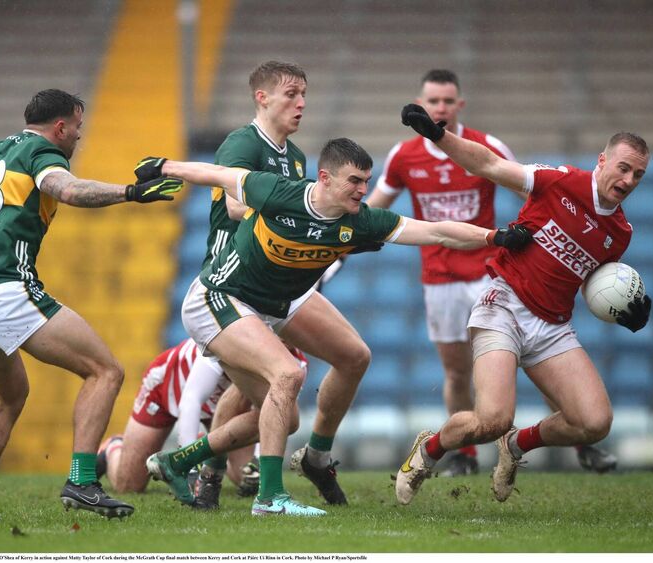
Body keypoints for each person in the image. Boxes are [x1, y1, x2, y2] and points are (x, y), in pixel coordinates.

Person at [139, 137, 533, 516]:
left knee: (337, 371)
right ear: (324, 178)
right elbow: (219, 175)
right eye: (355, 181)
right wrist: (163, 166)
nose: (364, 189)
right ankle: (270, 498)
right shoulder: (278, 192)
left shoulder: (360, 221)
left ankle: (191, 461)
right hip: (220, 297)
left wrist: (494, 236)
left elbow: (436, 231)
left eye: (367, 180)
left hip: (273, 304)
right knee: (288, 374)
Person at [394, 104, 652, 506]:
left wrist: (626, 310)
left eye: (637, 175)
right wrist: (438, 136)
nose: (628, 179)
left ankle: (516, 446)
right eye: (623, 167)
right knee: (491, 419)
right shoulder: (561, 181)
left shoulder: (619, 234)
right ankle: (429, 450)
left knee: (594, 422)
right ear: (603, 160)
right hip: (504, 306)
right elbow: (490, 165)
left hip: (552, 328)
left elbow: (591, 285)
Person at [365, 69, 617, 476]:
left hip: (489, 271)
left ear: (459, 104)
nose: (440, 107)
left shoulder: (485, 146)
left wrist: (519, 236)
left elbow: (530, 193)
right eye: (433, 101)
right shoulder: (403, 155)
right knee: (456, 370)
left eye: (448, 101)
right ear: (422, 102)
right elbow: (376, 205)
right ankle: (463, 457)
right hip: (440, 278)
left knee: (532, 358)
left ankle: (581, 442)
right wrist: (349, 235)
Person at [0, 89, 181, 521]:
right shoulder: (41, 151)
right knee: (105, 371)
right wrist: (130, 192)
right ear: (60, 127)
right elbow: (68, 190)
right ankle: (82, 481)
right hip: (6, 288)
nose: (79, 136)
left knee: (9, 395)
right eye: (77, 127)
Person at [191, 60, 379, 508]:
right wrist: (290, 213)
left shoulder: (295, 157)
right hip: (236, 281)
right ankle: (207, 471)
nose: (301, 104)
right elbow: (237, 208)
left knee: (353, 356)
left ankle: (316, 456)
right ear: (263, 97)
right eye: (292, 94)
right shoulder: (241, 143)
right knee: (253, 389)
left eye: (304, 95)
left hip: (282, 283)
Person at [94, 337, 308, 498]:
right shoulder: (234, 340)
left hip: (222, 404)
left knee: (246, 479)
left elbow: (274, 414)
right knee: (129, 483)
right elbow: (191, 398)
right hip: (168, 388)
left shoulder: (295, 365)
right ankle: (112, 447)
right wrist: (188, 467)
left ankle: (206, 453)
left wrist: (259, 462)